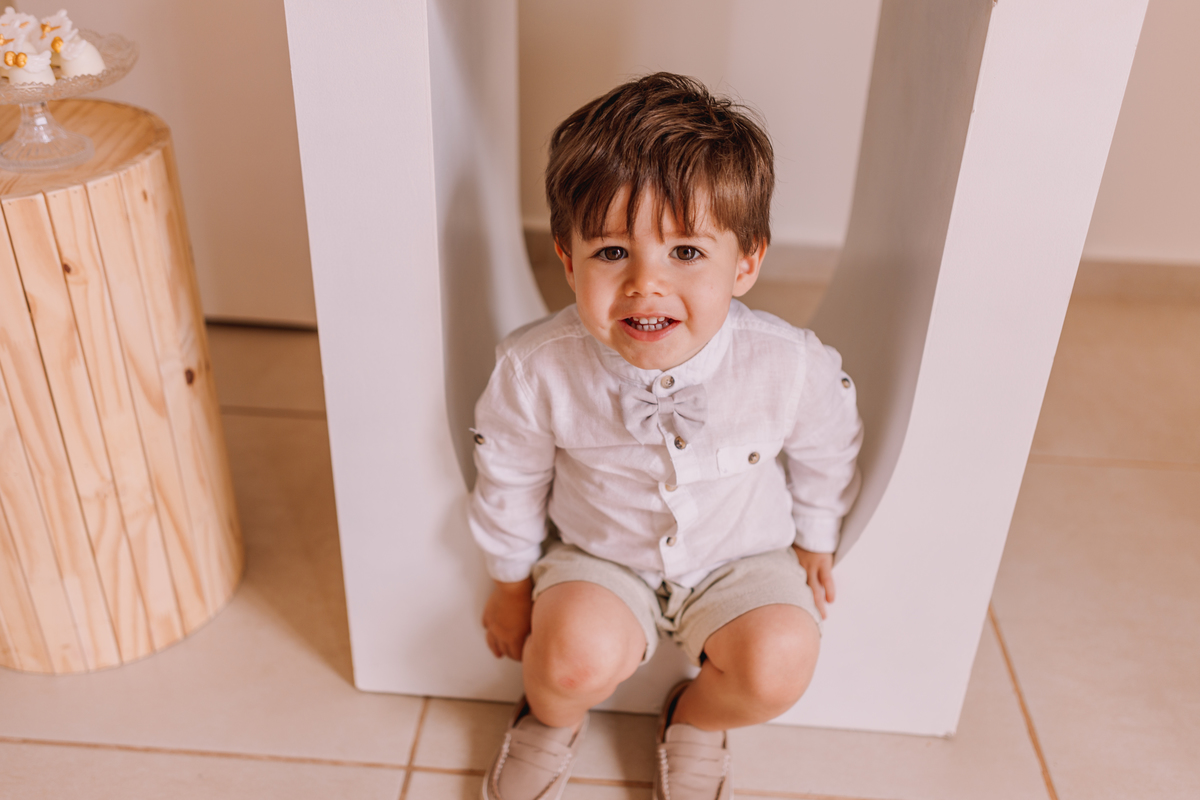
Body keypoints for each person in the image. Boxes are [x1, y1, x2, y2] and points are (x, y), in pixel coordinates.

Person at [469, 72, 862, 800]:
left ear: (745, 262)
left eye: (685, 253)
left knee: (781, 664)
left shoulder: (788, 365)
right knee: (565, 660)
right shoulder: (537, 368)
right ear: (567, 260)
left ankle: (692, 719)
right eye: (612, 253)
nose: (645, 284)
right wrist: (509, 581)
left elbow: (826, 445)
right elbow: (511, 473)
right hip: (603, 555)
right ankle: (550, 721)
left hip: (737, 555)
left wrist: (816, 533)